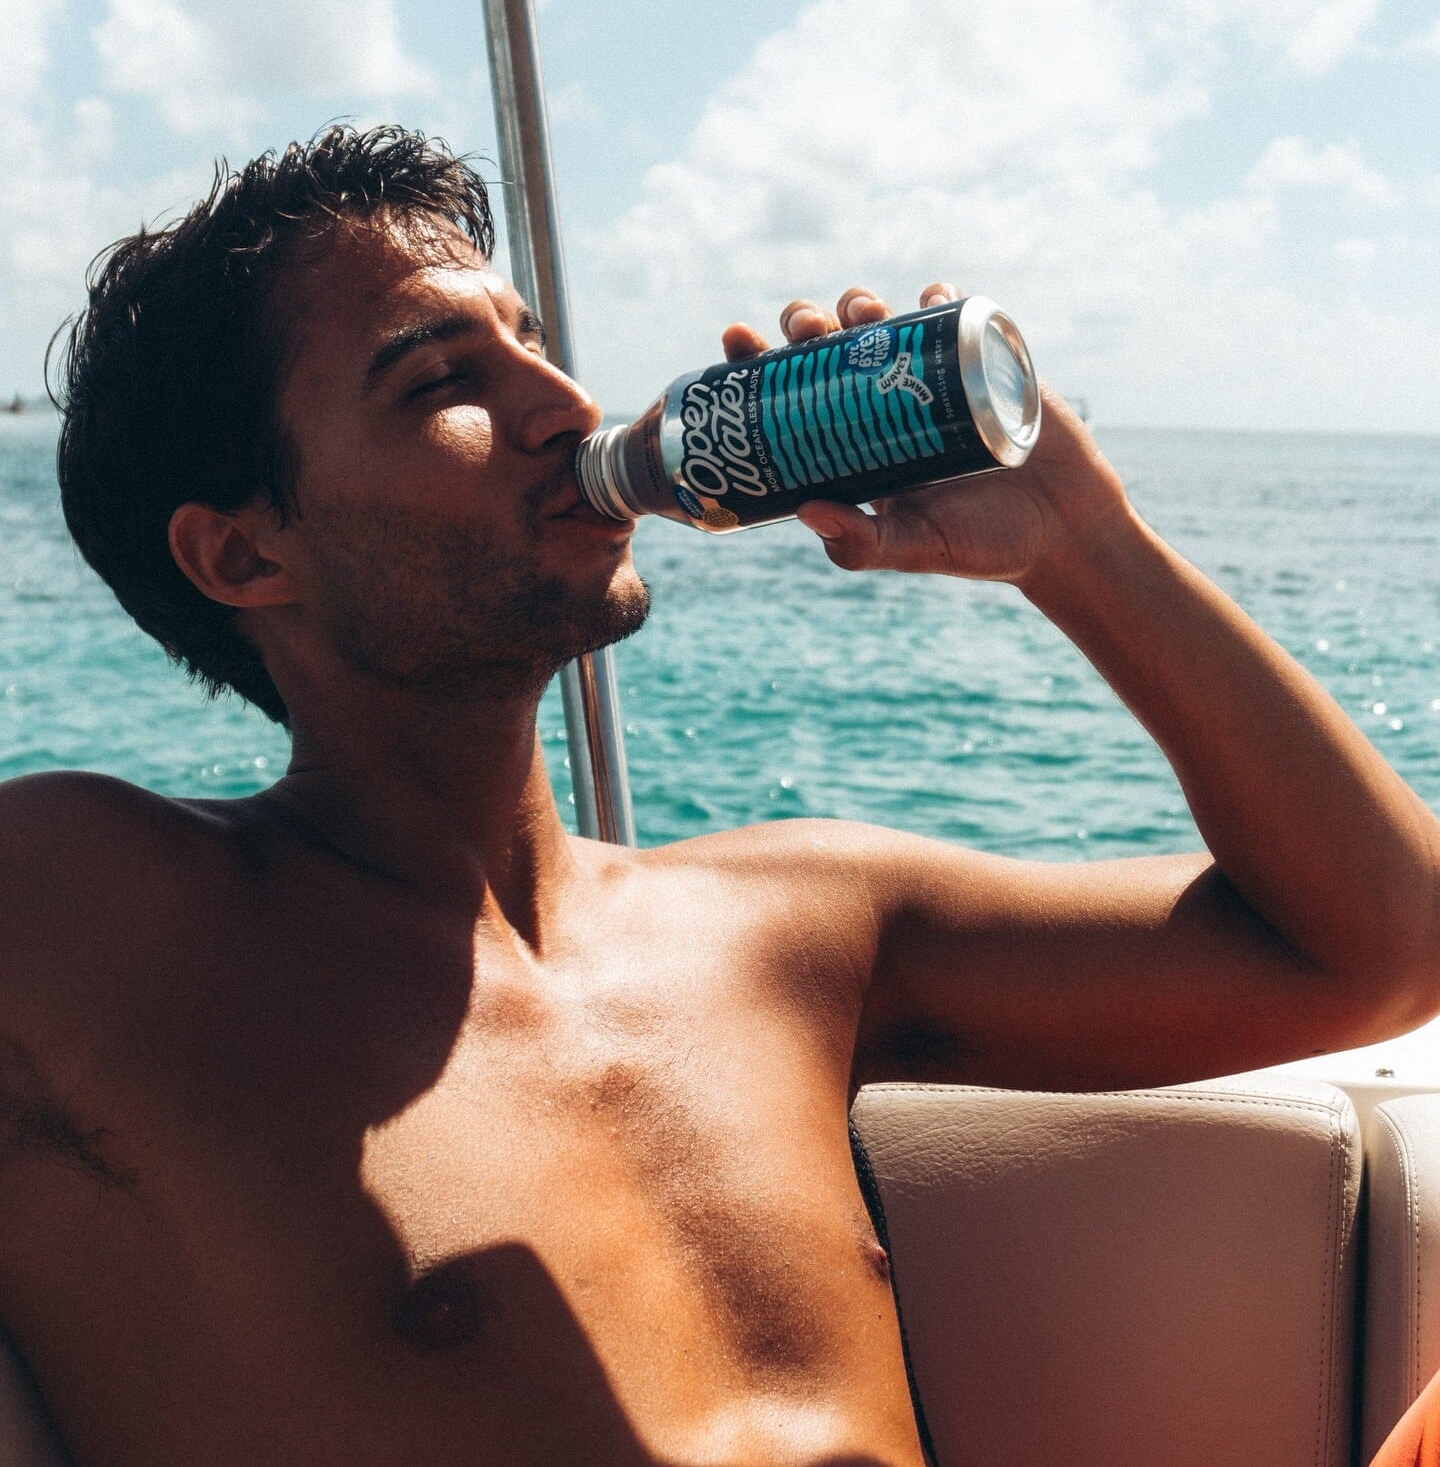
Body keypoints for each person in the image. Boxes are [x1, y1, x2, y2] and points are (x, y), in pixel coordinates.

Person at [1, 122, 1435, 1467]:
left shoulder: (795, 922)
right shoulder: (96, 912)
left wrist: (1080, 540)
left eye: (531, 343)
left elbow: (1381, 947)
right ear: (245, 556)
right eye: (441, 380)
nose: (566, 405)